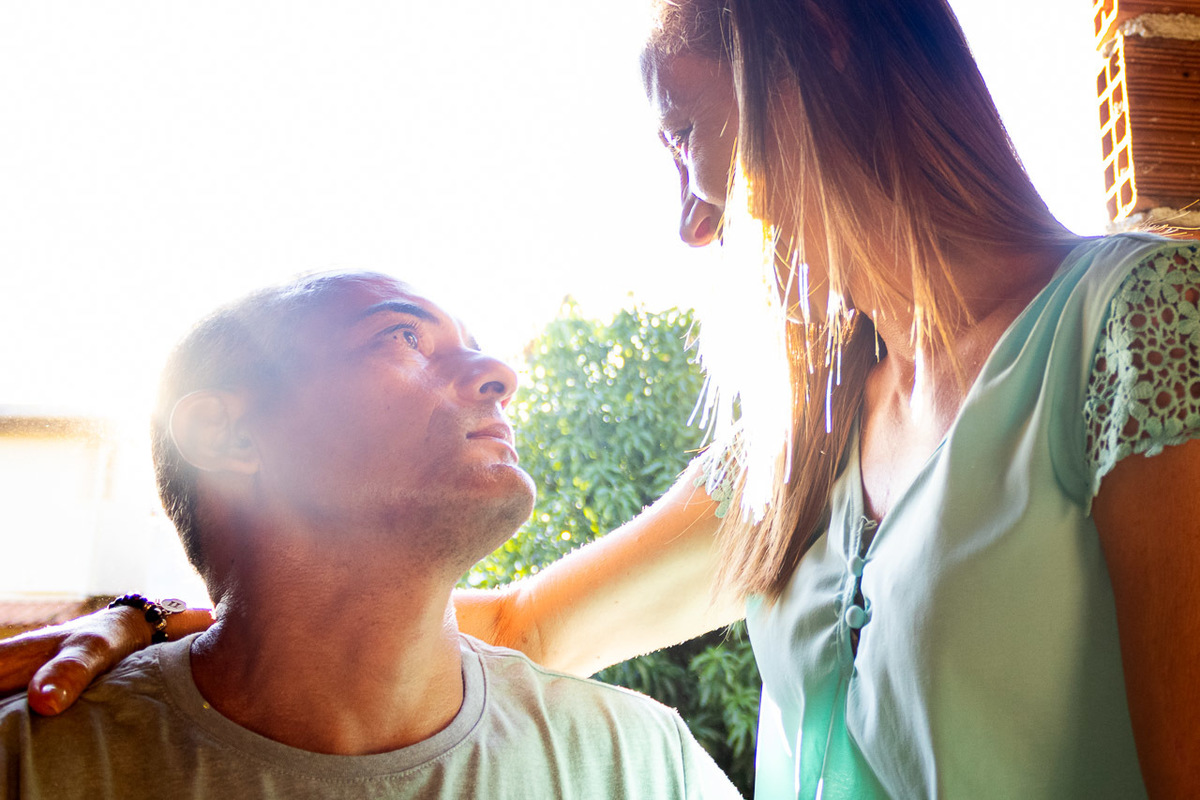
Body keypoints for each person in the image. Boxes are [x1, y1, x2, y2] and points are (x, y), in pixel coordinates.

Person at [4, 0, 1199, 796]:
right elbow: (523, 627)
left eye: (686, 132)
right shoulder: (800, 440)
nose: (695, 219)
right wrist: (175, 626)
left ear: (820, 39)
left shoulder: (1132, 325)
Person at [0, 272, 740, 799]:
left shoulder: (639, 765)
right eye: (404, 336)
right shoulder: (29, 765)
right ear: (228, 433)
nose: (500, 372)